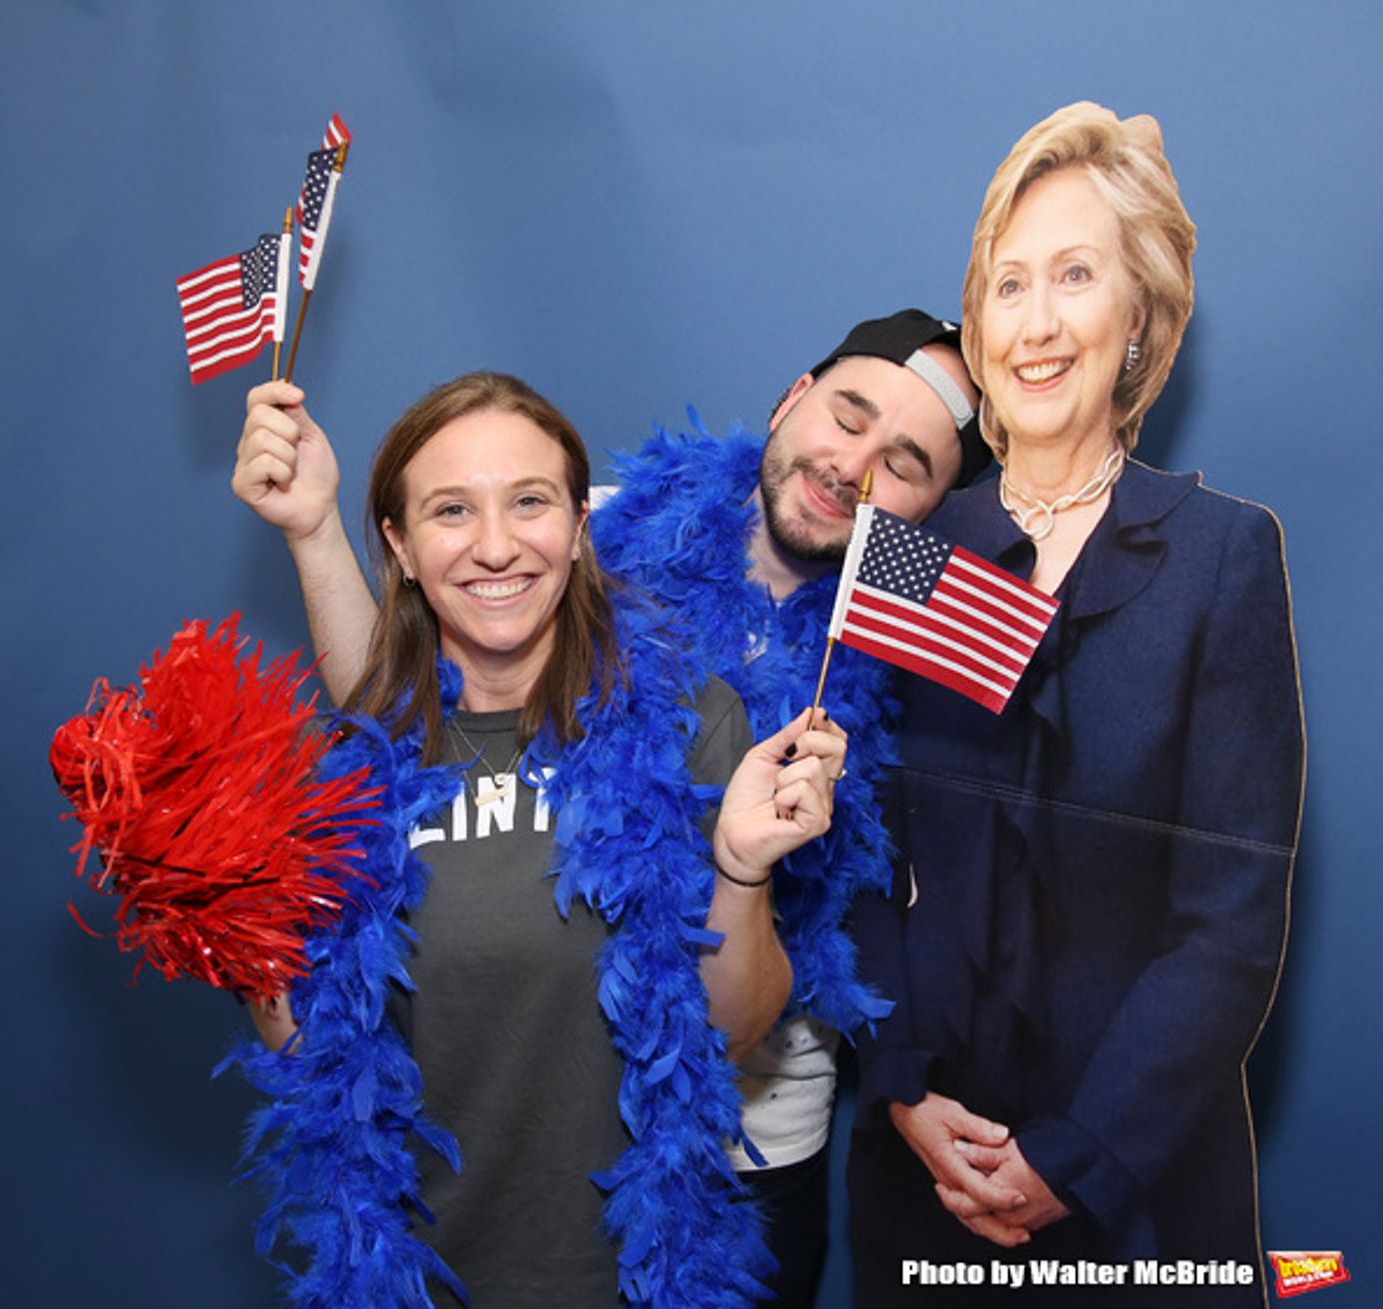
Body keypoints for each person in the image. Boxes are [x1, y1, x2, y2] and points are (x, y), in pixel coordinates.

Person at [232, 310, 988, 1307]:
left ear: (929, 508)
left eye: (904, 462)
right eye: (847, 416)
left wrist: (907, 1072)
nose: (853, 467)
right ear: (792, 398)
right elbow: (400, 704)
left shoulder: (917, 633)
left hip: (743, 1122)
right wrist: (313, 529)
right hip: (499, 1099)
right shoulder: (574, 522)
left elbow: (910, 910)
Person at [848, 103, 1305, 1307]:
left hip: (1136, 1193)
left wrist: (1073, 1156)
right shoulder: (910, 549)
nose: (1036, 321)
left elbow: (1229, 918)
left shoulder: (1221, 557)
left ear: (1137, 315)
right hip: (923, 1185)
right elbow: (848, 852)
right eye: (1006, 284)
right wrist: (896, 1085)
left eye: (1073, 275)